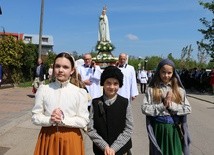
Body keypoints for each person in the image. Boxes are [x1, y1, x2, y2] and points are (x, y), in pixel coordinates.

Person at [32, 52, 89, 155]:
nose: (61, 70)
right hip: (48, 137)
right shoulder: (44, 89)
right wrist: (50, 119)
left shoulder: (80, 92)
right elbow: (35, 116)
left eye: (65, 67)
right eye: (57, 66)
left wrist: (63, 120)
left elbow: (84, 120)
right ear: (53, 68)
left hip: (71, 139)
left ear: (72, 70)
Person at [141, 59, 191, 155]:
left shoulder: (179, 90)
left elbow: (188, 108)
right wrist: (162, 106)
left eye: (169, 73)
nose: (166, 75)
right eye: (163, 72)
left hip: (174, 130)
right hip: (158, 129)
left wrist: (172, 105)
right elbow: (144, 108)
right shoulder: (152, 90)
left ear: (173, 73)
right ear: (159, 72)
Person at [87, 66, 133, 155]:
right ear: (103, 84)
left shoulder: (125, 102)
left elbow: (129, 128)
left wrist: (114, 148)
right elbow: (90, 128)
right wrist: (105, 146)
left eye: (115, 83)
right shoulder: (95, 103)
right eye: (108, 83)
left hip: (122, 150)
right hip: (101, 150)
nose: (112, 87)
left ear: (120, 85)